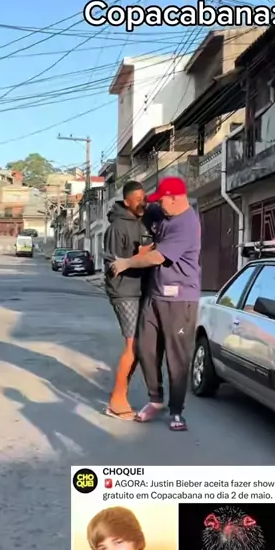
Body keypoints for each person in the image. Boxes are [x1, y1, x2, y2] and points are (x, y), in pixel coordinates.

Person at [110, 176, 201, 432]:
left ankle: (176, 411)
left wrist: (126, 263)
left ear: (175, 198)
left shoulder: (187, 224)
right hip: (154, 295)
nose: (158, 205)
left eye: (162, 200)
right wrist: (119, 213)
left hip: (180, 300)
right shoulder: (161, 212)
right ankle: (155, 399)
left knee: (176, 357)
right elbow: (135, 209)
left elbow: (158, 257)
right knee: (145, 349)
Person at [103, 180, 155, 420]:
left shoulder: (143, 221)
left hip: (141, 289)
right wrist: (138, 256)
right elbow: (112, 266)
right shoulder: (116, 228)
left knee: (140, 346)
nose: (143, 203)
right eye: (138, 200)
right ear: (127, 202)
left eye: (145, 198)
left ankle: (121, 394)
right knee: (132, 346)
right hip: (123, 291)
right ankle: (116, 401)